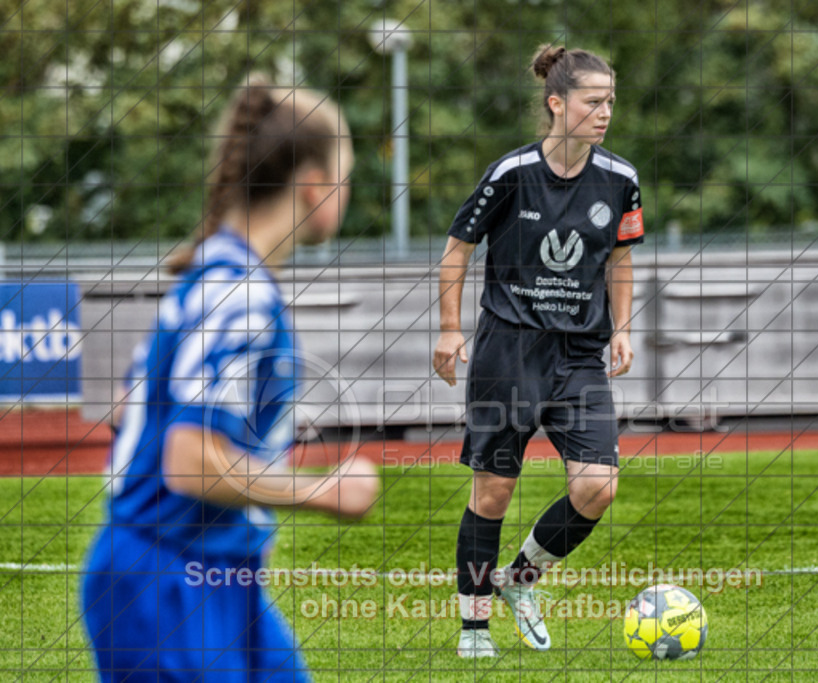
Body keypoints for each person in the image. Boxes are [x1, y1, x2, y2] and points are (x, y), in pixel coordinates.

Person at [82, 76, 379, 682]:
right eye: (345, 178)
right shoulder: (237, 292)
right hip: (166, 582)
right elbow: (188, 461)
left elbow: (131, 406)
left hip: (217, 572)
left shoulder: (220, 273)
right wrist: (320, 491)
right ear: (314, 185)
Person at [434, 46, 644, 658]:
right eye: (592, 101)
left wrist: (623, 327)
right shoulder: (512, 173)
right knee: (492, 492)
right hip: (509, 352)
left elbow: (621, 259)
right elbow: (457, 250)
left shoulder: (622, 180)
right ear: (557, 103)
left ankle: (520, 582)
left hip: (579, 354)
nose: (604, 112)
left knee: (598, 486)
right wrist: (451, 330)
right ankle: (474, 629)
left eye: (610, 101)